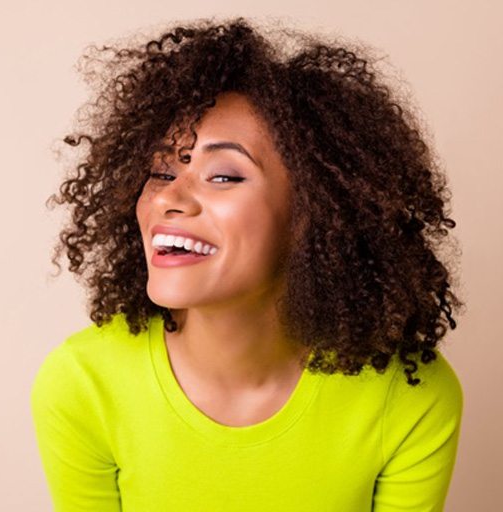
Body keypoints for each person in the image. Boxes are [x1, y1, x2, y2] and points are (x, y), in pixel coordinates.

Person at [30, 16, 465, 511]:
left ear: (313, 214)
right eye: (160, 171)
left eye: (223, 176)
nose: (169, 197)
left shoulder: (409, 397)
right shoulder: (83, 383)